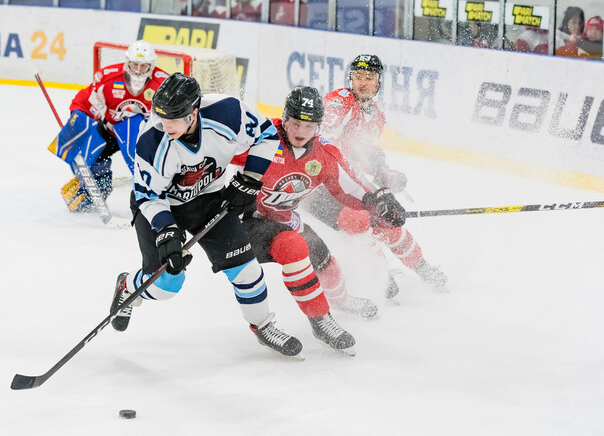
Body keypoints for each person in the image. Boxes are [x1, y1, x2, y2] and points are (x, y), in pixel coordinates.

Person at [110, 73, 303, 358]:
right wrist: (167, 231)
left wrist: (250, 179)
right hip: (161, 208)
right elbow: (149, 197)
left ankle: (263, 325)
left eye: (174, 119)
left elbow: (266, 135)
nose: (166, 126)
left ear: (194, 112)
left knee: (246, 269)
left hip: (208, 200)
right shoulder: (152, 142)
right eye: (162, 118)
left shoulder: (228, 113)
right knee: (166, 286)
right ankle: (128, 286)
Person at [235, 87, 404, 351]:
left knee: (321, 256)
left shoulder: (323, 153)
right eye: (296, 123)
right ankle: (318, 320)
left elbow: (349, 188)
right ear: (285, 119)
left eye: (309, 125)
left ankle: (340, 298)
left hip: (283, 218)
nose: (301, 131)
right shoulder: (261, 139)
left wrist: (377, 201)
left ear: (318, 126)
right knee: (293, 249)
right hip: (244, 220)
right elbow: (215, 160)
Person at [303, 54, 447, 292]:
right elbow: (322, 142)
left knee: (387, 218)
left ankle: (421, 267)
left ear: (378, 83)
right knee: (361, 223)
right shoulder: (341, 101)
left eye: (369, 77)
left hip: (345, 181)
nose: (362, 82)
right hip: (317, 183)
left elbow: (360, 150)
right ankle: (378, 276)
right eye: (357, 76)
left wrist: (382, 171)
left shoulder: (376, 116)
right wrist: (370, 186)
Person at [48, 40, 168, 213]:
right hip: (109, 131)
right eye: (135, 65)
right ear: (127, 62)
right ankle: (90, 196)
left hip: (143, 138)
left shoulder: (163, 85)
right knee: (93, 162)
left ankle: (155, 201)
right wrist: (77, 125)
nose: (138, 71)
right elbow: (83, 103)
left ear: (152, 66)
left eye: (144, 66)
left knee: (149, 164)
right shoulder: (107, 78)